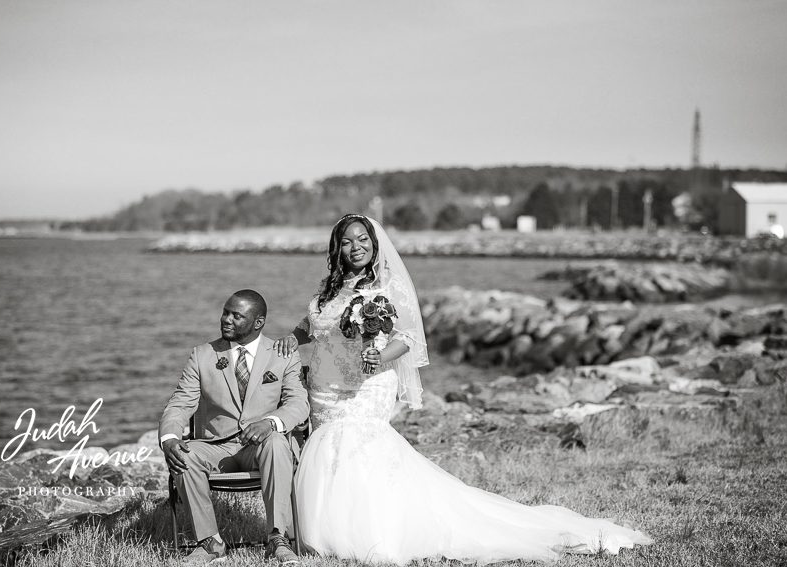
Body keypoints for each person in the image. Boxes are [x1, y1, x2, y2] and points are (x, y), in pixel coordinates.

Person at [272, 214, 652, 564]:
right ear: (336, 247)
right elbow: (314, 323)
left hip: (366, 384)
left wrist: (382, 355)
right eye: (346, 241)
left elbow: (409, 337)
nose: (355, 247)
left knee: (357, 448)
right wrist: (292, 337)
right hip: (323, 387)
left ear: (374, 244)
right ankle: (325, 532)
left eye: (362, 240)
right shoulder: (331, 287)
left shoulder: (387, 285)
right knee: (328, 453)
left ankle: (371, 534)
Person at [160, 289, 309, 566]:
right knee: (185, 454)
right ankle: (210, 543)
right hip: (218, 449)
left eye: (236, 316)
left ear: (258, 322)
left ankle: (277, 539)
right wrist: (169, 437)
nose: (226, 319)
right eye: (225, 312)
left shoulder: (282, 355)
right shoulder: (202, 355)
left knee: (278, 442)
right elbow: (180, 403)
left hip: (262, 447)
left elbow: (298, 404)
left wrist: (270, 423)